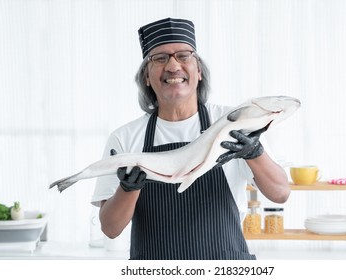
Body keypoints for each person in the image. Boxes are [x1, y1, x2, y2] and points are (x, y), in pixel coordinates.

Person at [91, 17, 290, 260]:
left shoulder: (234, 122)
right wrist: (127, 188)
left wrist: (254, 153)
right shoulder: (125, 138)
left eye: (184, 56)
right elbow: (110, 229)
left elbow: (280, 193)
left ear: (199, 71)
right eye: (160, 58)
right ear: (146, 76)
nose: (173, 66)